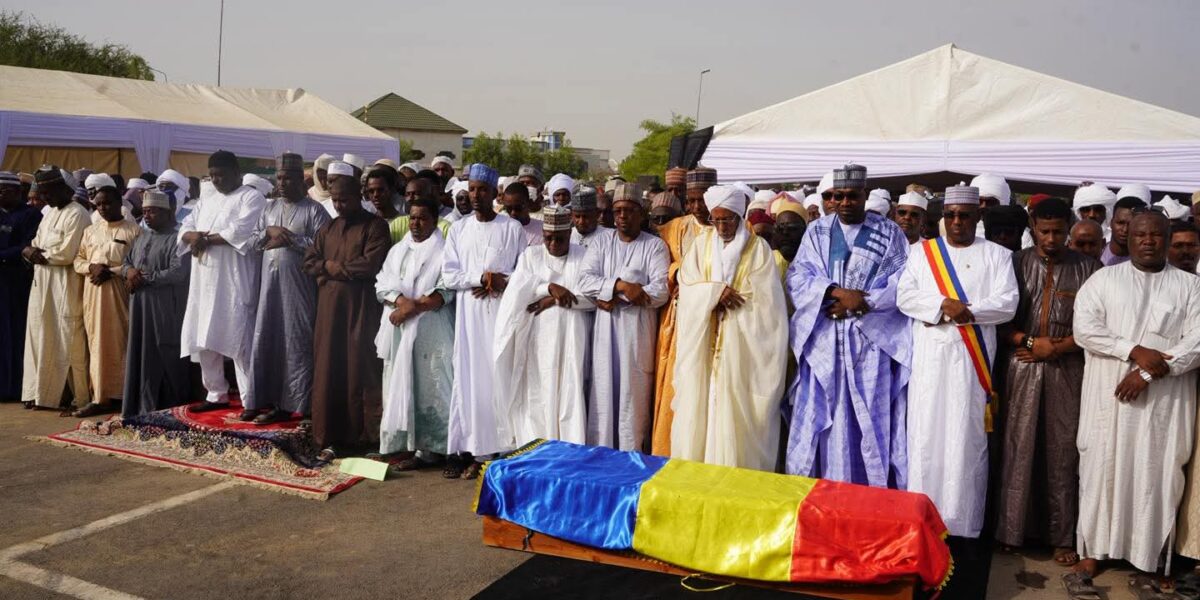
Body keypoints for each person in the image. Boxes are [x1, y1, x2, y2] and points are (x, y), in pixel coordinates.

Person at [1068, 210, 1200, 588]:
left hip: (1163, 404)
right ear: (1127, 238)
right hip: (1108, 401)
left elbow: (1196, 342)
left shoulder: (1190, 287)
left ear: (1167, 238)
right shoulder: (1103, 279)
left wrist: (1145, 371)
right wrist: (1132, 349)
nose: (1147, 241)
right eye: (1140, 234)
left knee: (1155, 473)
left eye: (1156, 235)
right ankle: (1092, 552)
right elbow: (1085, 330)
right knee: (1100, 469)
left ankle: (1148, 555)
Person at [897, 183, 1019, 538]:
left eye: (964, 215)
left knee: (965, 441)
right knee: (926, 435)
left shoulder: (997, 255)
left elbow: (1007, 302)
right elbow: (905, 295)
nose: (956, 222)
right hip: (930, 361)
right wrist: (941, 306)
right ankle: (921, 515)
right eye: (950, 215)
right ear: (942, 217)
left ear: (977, 217)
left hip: (972, 363)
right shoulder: (923, 253)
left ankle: (962, 525)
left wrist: (966, 311)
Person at [785, 164, 911, 487]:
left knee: (870, 419)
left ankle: (872, 498)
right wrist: (838, 294)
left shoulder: (890, 233)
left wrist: (862, 302)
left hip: (870, 343)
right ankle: (825, 494)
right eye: (837, 196)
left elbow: (902, 282)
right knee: (827, 419)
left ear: (864, 196)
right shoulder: (817, 232)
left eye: (851, 196)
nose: (844, 202)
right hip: (825, 338)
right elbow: (797, 278)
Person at [994, 197, 1100, 565]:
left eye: (1058, 231)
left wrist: (1058, 347)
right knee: (1017, 446)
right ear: (1032, 228)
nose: (1051, 238)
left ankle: (1062, 536)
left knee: (1063, 451)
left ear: (1068, 228)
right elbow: (1000, 321)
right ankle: (1011, 531)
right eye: (1044, 231)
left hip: (1068, 368)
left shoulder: (1089, 267)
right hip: (1021, 365)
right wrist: (1028, 342)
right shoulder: (1014, 263)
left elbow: (1099, 326)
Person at [670, 185, 787, 470]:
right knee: (699, 407)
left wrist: (728, 300)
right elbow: (687, 285)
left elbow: (767, 305)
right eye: (716, 219)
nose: (722, 226)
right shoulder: (701, 244)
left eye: (728, 219)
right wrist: (714, 293)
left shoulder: (758, 249)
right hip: (704, 347)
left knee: (736, 413)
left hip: (741, 348)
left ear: (738, 216)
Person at [441, 163, 526, 479]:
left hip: (502, 315)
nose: (476, 195)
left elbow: (525, 272)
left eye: (482, 190)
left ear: (495, 194)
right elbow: (449, 275)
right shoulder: (459, 230)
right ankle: (475, 450)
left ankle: (503, 448)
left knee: (500, 376)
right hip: (470, 319)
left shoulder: (511, 228)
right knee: (471, 379)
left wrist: (503, 281)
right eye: (472, 189)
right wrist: (479, 277)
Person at [304, 162, 391, 460]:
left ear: (359, 196)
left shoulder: (375, 226)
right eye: (336, 200)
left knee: (360, 370)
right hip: (329, 313)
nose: (340, 205)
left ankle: (365, 438)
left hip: (361, 311)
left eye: (345, 200)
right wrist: (330, 269)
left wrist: (331, 268)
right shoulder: (328, 226)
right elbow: (309, 260)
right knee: (330, 369)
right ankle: (328, 437)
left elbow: (370, 265)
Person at [579, 182, 670, 452]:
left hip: (636, 334)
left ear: (641, 214)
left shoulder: (654, 246)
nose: (622, 216)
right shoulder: (601, 242)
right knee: (604, 394)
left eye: (629, 211)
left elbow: (660, 291)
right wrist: (622, 287)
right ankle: (602, 455)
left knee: (634, 397)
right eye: (618, 211)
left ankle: (632, 458)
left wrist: (611, 294)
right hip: (606, 333)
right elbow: (585, 280)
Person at [493, 205, 593, 447]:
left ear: (570, 233)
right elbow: (517, 292)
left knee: (571, 389)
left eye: (560, 238)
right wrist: (548, 288)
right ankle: (538, 447)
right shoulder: (531, 255)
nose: (553, 244)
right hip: (538, 340)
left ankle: (571, 449)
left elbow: (592, 297)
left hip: (573, 337)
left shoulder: (585, 255)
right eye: (548, 238)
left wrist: (550, 299)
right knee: (537, 392)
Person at [244, 154, 330, 425]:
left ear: (301, 181)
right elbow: (252, 243)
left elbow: (322, 248)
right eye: (279, 177)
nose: (282, 183)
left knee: (297, 342)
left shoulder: (315, 210)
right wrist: (269, 233)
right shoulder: (268, 209)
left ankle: (301, 404)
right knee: (268, 338)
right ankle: (269, 401)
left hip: (300, 288)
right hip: (269, 288)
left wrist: (289, 238)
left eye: (288, 178)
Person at [178, 150, 266, 412]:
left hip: (234, 278)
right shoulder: (207, 199)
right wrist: (193, 237)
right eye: (212, 175)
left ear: (237, 173)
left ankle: (251, 399)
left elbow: (242, 230)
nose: (216, 180)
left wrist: (204, 239)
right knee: (204, 334)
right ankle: (216, 393)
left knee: (240, 337)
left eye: (221, 175)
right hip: (203, 281)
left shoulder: (252, 197)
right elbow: (185, 228)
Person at [374, 193, 454, 471]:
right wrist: (400, 302)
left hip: (432, 331)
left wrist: (413, 307)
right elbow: (382, 283)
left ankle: (433, 448)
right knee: (398, 383)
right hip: (399, 329)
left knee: (433, 387)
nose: (416, 224)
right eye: (412, 218)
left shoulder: (445, 251)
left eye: (422, 218)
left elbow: (446, 290)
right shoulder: (398, 250)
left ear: (435, 221)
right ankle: (403, 445)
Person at [650, 167, 715, 455]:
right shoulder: (673, 229)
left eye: (702, 199)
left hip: (716, 324)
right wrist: (679, 272)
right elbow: (658, 270)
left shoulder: (735, 229)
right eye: (691, 201)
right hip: (678, 325)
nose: (696, 207)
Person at [21, 167, 90, 410]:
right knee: (40, 336)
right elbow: (36, 243)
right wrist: (31, 250)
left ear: (65, 189)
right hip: (42, 283)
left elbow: (67, 253)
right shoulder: (48, 213)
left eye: (49, 192)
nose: (45, 198)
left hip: (65, 284)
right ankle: (41, 394)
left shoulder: (78, 214)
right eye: (43, 193)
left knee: (68, 340)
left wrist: (35, 254)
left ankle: (76, 396)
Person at [71, 185, 142, 417]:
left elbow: (139, 265)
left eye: (107, 203)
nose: (102, 208)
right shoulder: (90, 231)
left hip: (119, 293)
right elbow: (78, 261)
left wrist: (112, 270)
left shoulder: (134, 231)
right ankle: (99, 397)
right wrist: (92, 267)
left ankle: (123, 395)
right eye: (98, 204)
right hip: (93, 293)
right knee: (96, 343)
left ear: (119, 202)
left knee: (120, 341)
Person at [120, 190, 191, 417]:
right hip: (140, 305)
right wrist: (129, 271)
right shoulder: (142, 237)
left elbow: (178, 273)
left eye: (152, 211)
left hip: (165, 307)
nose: (147, 216)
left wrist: (142, 278)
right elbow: (126, 262)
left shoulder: (179, 238)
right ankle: (141, 407)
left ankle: (171, 409)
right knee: (141, 352)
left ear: (168, 213)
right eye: (145, 211)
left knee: (165, 352)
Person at [0, 171, 41, 402]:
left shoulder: (30, 215)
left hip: (16, 284)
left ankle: (14, 387)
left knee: (14, 335)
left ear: (17, 192)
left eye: (3, 190)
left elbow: (28, 246)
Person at [1101, 196, 1146, 266]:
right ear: (1111, 223)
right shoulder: (1098, 253)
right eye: (1120, 223)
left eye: (1132, 224)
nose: (1125, 229)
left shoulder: (1145, 262)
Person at [770, 198, 807, 275]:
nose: (785, 232)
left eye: (792, 228)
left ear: (804, 230)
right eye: (780, 228)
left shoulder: (813, 263)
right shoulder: (767, 262)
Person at [499, 183, 543, 247]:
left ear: (529, 203)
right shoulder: (500, 228)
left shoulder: (542, 230)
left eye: (518, 208)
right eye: (508, 208)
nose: (513, 213)